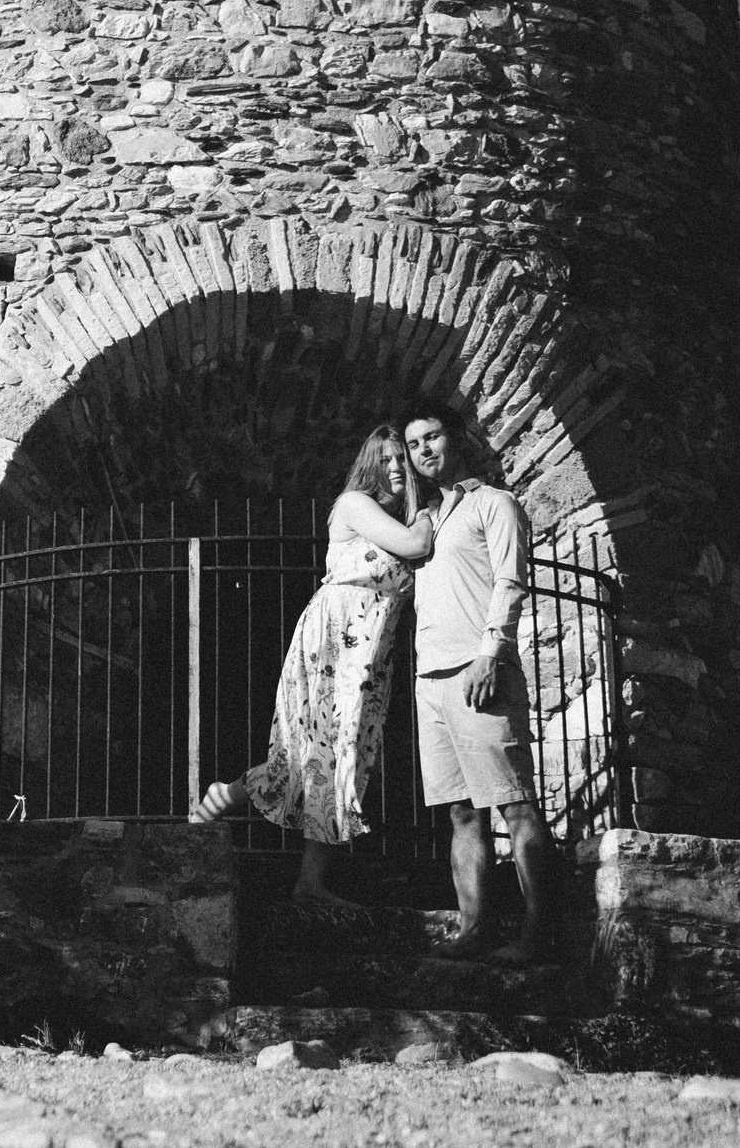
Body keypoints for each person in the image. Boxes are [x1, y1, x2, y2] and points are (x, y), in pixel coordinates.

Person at [190, 425, 433, 911]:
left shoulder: (393, 516)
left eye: (402, 459)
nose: (396, 468)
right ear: (370, 465)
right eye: (386, 459)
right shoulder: (354, 504)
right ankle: (307, 880)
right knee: (322, 754)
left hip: (368, 658)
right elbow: (414, 546)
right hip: (333, 648)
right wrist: (429, 514)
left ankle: (234, 805)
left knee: (332, 761)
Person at [402, 398, 557, 964]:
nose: (424, 450)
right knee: (461, 812)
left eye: (432, 437)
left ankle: (539, 935)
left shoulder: (495, 504)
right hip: (431, 678)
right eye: (415, 443)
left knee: (514, 804)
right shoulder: (426, 520)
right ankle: (473, 931)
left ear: (457, 439)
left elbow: (512, 581)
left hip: (480, 670)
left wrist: (491, 654)